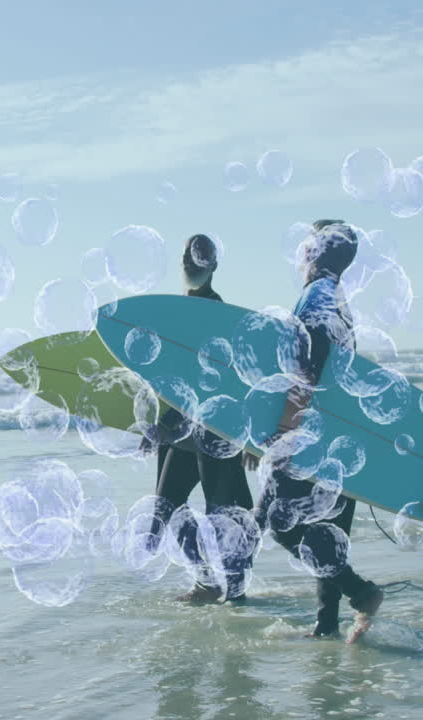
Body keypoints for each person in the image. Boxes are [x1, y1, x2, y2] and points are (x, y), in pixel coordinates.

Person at [248, 219, 384, 642]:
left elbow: (307, 368)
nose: (301, 251)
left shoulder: (316, 297)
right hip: (338, 434)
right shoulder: (337, 299)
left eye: (307, 243)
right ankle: (327, 625)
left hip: (311, 434)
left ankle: (360, 592)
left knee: (281, 522)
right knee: (326, 529)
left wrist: (283, 432)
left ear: (315, 251)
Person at [145, 234, 256, 605]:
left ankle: (236, 591)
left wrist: (250, 438)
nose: (190, 262)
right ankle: (207, 582)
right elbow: (168, 375)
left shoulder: (218, 314)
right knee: (168, 508)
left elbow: (227, 378)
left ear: (213, 266)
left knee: (222, 513)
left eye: (199, 256)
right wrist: (156, 423)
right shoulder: (176, 311)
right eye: (187, 255)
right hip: (181, 430)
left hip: (213, 428)